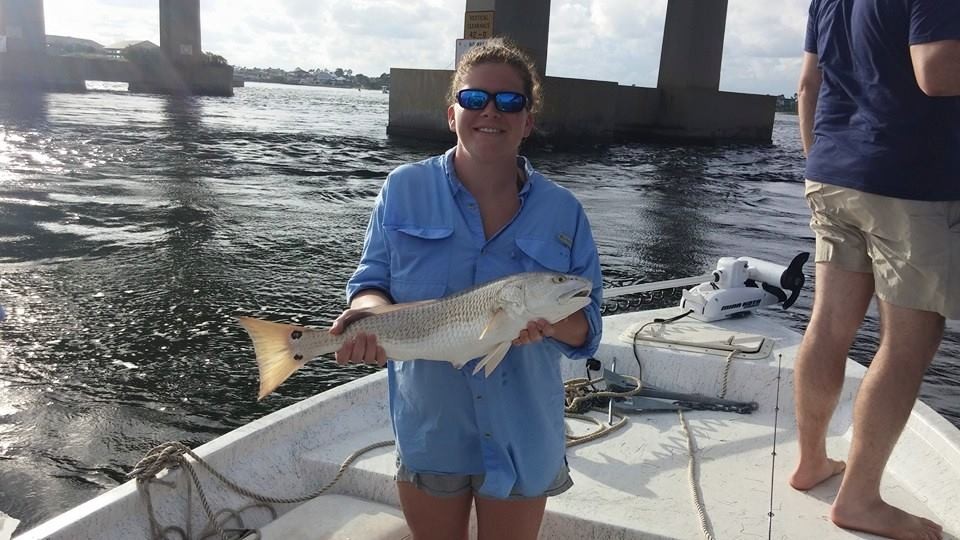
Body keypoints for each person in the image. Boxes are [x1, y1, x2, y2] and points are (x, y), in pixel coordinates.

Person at [328, 37, 603, 540]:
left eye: (510, 101)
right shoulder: (403, 188)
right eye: (475, 99)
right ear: (452, 113)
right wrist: (365, 318)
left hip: (524, 430)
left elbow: (587, 327)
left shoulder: (564, 211)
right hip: (431, 426)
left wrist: (543, 324)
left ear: (528, 119)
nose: (490, 111)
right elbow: (371, 284)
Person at [791, 1, 959, 539]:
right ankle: (859, 499)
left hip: (832, 170)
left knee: (829, 325)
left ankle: (812, 462)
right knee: (910, 341)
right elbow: (935, 70)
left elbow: (806, 86)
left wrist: (822, 160)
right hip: (908, 180)